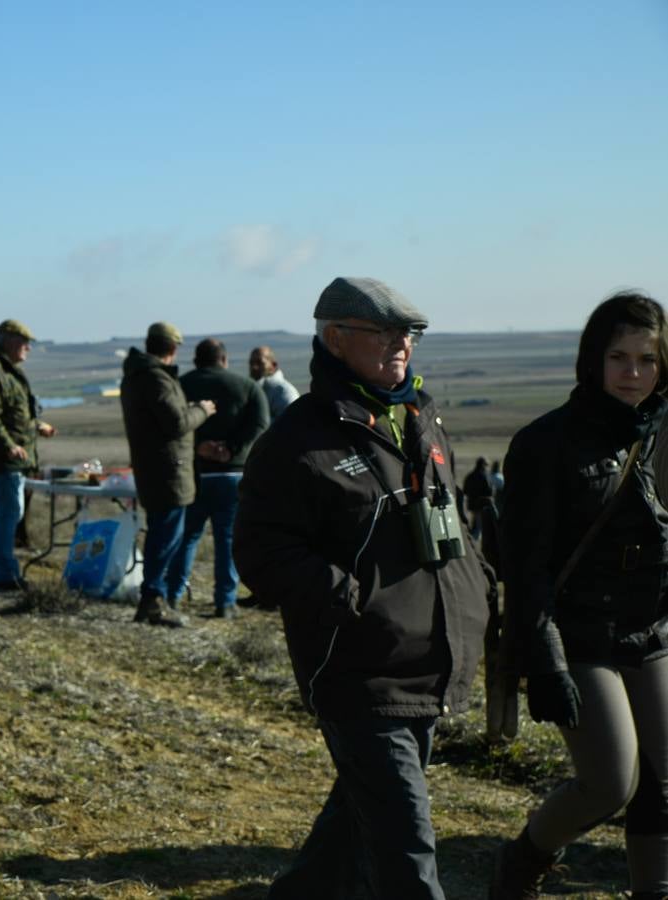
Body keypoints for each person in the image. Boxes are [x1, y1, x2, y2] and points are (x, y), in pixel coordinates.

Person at [234, 276, 491, 899]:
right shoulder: (298, 441)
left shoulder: (421, 419)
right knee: (407, 846)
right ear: (335, 339)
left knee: (354, 829)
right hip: (360, 670)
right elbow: (260, 553)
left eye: (410, 332)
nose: (402, 343)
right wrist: (349, 599)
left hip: (431, 661)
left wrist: (480, 590)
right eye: (385, 332)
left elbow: (453, 522)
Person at [490, 292, 668, 900]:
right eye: (619, 357)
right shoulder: (545, 443)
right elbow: (526, 568)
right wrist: (546, 664)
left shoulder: (661, 432)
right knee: (611, 783)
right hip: (578, 634)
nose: (633, 373)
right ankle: (524, 860)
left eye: (647, 359)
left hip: (650, 629)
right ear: (593, 359)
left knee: (663, 779)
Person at [162, 338, 268, 619]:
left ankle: (171, 596)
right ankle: (225, 602)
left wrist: (199, 446)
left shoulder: (180, 385)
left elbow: (170, 422)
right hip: (233, 475)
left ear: (196, 361)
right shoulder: (248, 387)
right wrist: (231, 449)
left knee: (186, 538)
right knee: (227, 540)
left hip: (194, 474)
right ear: (224, 359)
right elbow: (260, 424)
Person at [121, 322, 215, 626]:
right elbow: (176, 423)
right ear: (173, 348)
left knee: (162, 533)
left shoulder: (139, 376)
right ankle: (153, 599)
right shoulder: (155, 378)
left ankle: (153, 598)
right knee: (165, 537)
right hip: (168, 470)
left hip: (156, 468)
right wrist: (202, 410)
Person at [0, 319, 57, 590]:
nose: (28, 347)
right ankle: (4, 575)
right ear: (7, 340)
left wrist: (36, 426)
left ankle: (5, 571)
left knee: (12, 514)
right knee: (8, 515)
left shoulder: (8, 372)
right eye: (23, 341)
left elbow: (13, 415)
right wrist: (8, 445)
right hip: (2, 459)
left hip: (14, 459)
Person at [249, 344, 301, 419]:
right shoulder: (254, 390)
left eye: (259, 362)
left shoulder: (285, 392)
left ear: (273, 365)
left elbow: (292, 421)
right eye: (251, 363)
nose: (254, 367)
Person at [459, 456, 495, 540]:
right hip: (481, 504)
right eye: (486, 465)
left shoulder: (470, 476)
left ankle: (471, 537)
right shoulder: (484, 476)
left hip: (471, 503)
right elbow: (489, 492)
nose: (487, 467)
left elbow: (465, 490)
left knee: (476, 522)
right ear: (483, 465)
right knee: (478, 526)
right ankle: (473, 540)